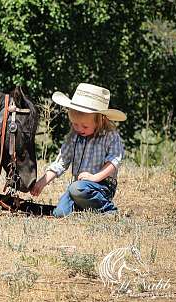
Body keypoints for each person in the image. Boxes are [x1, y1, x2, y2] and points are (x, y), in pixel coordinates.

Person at [30, 83, 126, 217]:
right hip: (78, 187)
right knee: (59, 213)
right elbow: (61, 163)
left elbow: (114, 162)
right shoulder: (73, 137)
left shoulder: (110, 136)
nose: (79, 129)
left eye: (85, 126)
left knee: (77, 188)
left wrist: (94, 177)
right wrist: (42, 181)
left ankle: (108, 210)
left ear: (100, 121)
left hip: (102, 186)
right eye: (75, 124)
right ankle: (86, 207)